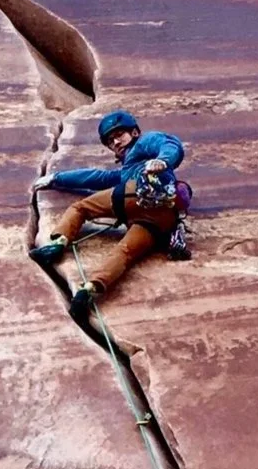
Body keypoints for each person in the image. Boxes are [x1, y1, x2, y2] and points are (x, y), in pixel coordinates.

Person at [30, 110, 186, 323]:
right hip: (163, 219)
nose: (116, 142)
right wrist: (58, 178)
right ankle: (88, 291)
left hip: (138, 193)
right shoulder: (124, 171)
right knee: (125, 252)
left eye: (119, 135)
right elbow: (96, 177)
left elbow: (169, 143)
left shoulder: (144, 144)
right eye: (111, 141)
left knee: (81, 208)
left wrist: (163, 160)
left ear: (134, 132)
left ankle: (58, 244)